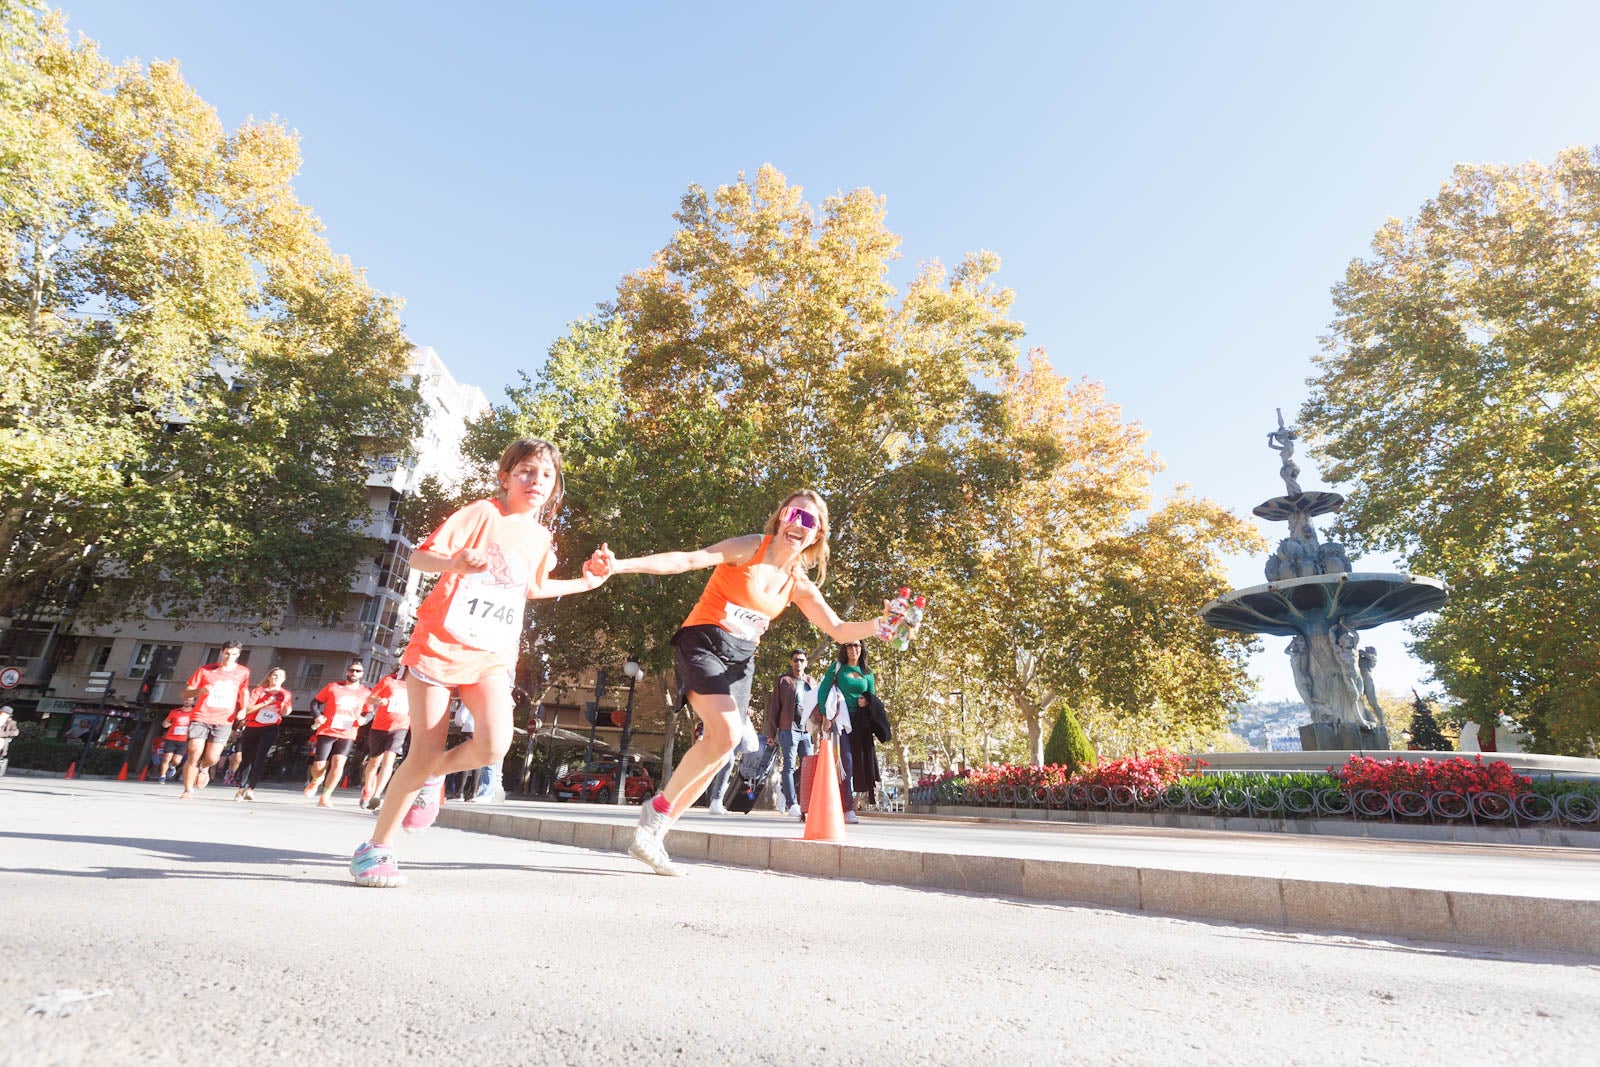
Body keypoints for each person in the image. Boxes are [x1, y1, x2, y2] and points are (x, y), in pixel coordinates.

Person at [349, 437, 610, 888]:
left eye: (546, 475)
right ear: (505, 477)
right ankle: (376, 849)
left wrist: (587, 584)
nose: (536, 481)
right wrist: (456, 562)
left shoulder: (542, 536)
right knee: (424, 750)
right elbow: (418, 557)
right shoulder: (481, 514)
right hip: (440, 644)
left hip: (493, 653)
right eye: (526, 471)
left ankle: (430, 780)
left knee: (494, 744)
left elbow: (533, 588)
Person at [595, 489, 886, 877]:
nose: (799, 524)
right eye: (794, 514)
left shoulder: (797, 584)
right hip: (703, 641)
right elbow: (689, 559)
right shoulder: (750, 548)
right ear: (782, 516)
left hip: (740, 660)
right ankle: (657, 812)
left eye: (809, 521)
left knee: (723, 745)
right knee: (728, 731)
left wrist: (882, 625)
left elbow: (837, 628)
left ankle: (655, 831)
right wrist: (619, 566)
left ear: (817, 535)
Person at [814, 640, 877, 824]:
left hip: (861, 724)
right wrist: (825, 716)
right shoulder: (837, 668)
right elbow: (824, 690)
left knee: (860, 766)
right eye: (849, 645)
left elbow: (872, 697)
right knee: (845, 763)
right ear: (844, 649)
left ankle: (845, 803)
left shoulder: (868, 673)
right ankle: (847, 808)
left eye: (857, 645)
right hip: (840, 721)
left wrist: (866, 701)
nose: (854, 649)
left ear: (862, 648)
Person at [180, 641, 251, 799]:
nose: (229, 657)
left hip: (223, 720)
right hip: (201, 716)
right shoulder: (205, 670)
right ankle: (188, 790)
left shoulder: (243, 672)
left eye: (233, 654)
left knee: (213, 758)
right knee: (194, 752)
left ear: (238, 655)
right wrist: (200, 691)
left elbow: (243, 692)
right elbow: (185, 694)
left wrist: (243, 709)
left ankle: (204, 767)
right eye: (227, 653)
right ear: (221, 652)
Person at [304, 661, 370, 807]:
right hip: (328, 730)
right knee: (320, 765)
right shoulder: (333, 687)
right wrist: (317, 715)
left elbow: (369, 711)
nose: (355, 673)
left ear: (362, 674)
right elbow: (315, 702)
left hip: (348, 732)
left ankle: (326, 796)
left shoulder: (365, 692)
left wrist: (364, 719)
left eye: (358, 671)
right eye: (352, 670)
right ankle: (315, 781)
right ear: (347, 672)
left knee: (339, 763)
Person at [763, 648, 815, 817]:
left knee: (808, 767)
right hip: (788, 728)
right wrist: (771, 733)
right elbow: (774, 708)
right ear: (791, 662)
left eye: (801, 660)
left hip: (806, 730)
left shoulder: (811, 682)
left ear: (806, 663)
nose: (798, 663)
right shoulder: (783, 681)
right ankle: (792, 803)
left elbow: (817, 708)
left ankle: (785, 789)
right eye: (795, 660)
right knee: (789, 766)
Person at [234, 667, 291, 801]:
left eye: (280, 676)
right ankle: (240, 788)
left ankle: (251, 788)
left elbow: (286, 711)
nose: (277, 678)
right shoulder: (258, 691)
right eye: (275, 675)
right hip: (253, 726)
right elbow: (248, 709)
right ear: (269, 677)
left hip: (270, 727)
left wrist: (285, 708)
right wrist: (266, 702)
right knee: (246, 758)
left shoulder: (285, 694)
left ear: (284, 679)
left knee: (260, 757)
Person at [359, 670, 409, 810]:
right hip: (380, 727)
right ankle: (367, 791)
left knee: (389, 760)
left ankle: (377, 794)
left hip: (400, 727)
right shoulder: (388, 681)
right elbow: (369, 699)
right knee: (374, 761)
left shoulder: (416, 685)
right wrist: (379, 700)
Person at [157, 700, 195, 783]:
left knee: (177, 761)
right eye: (186, 700)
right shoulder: (175, 711)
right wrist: (166, 724)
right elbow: (165, 722)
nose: (187, 702)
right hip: (171, 738)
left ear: (193, 702)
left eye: (190, 700)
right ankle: (162, 776)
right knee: (167, 757)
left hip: (183, 740)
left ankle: (172, 766)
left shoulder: (194, 713)